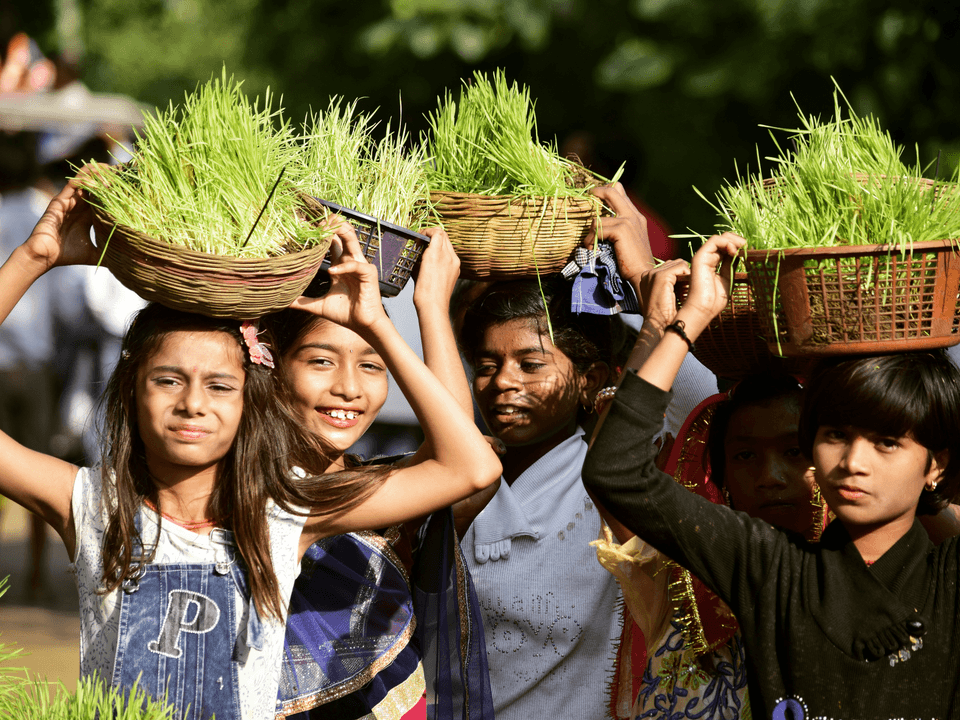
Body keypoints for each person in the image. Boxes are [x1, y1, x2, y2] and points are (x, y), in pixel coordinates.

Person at [0, 175, 502, 720]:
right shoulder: (93, 503)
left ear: (251, 401)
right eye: (168, 381)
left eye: (219, 386)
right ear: (129, 390)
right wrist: (34, 258)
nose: (193, 404)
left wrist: (377, 325)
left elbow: (470, 466)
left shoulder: (283, 511)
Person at [583, 232, 960, 717]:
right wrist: (687, 319)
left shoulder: (948, 578)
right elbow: (615, 470)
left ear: (937, 463)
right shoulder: (770, 567)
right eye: (834, 436)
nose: (853, 462)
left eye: (887, 443)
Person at [268, 229, 493, 720]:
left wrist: (430, 306)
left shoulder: (385, 488)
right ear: (272, 368)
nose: (348, 387)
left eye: (373, 365)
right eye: (321, 361)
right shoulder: (256, 498)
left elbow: (466, 461)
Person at [594, 369, 822, 719]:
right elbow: (608, 476)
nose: (770, 477)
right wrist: (674, 330)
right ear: (721, 475)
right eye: (745, 456)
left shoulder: (866, 580)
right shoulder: (678, 585)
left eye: (794, 451)